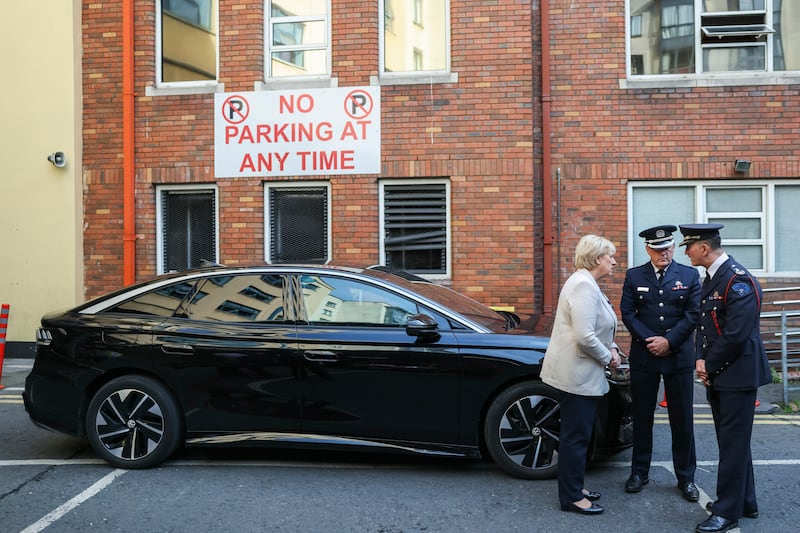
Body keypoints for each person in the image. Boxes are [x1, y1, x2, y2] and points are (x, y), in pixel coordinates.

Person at [679, 223, 771, 533]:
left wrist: (708, 364)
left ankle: (726, 511)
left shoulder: (736, 279)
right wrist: (701, 358)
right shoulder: (713, 277)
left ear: (703, 248)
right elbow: (705, 326)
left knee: (732, 445)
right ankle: (745, 501)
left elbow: (737, 334)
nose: (686, 252)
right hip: (723, 371)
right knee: (733, 442)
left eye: (689, 247)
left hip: (738, 373)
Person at [541, 234, 622, 516]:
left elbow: (601, 326)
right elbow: (585, 336)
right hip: (577, 375)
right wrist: (607, 358)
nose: (614, 260)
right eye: (610, 255)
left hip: (582, 373)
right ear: (597, 257)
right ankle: (571, 497)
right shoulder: (583, 286)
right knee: (575, 437)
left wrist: (611, 346)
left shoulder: (587, 283)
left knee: (579, 435)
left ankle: (575, 486)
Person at [620, 225, 700, 502]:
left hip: (678, 357)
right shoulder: (634, 276)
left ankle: (686, 478)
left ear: (674, 247)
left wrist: (669, 342)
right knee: (642, 418)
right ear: (647, 250)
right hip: (645, 356)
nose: (662, 253)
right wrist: (650, 340)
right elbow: (628, 314)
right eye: (657, 249)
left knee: (683, 420)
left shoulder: (689, 275)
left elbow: (693, 314)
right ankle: (639, 473)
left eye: (666, 247)